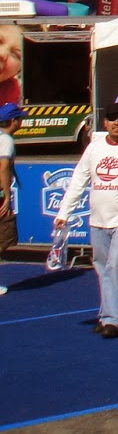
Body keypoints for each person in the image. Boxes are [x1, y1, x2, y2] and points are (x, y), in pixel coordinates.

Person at [51, 104, 118, 338]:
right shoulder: (95, 147)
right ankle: (106, 314)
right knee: (103, 268)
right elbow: (79, 179)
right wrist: (64, 213)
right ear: (105, 123)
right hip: (98, 218)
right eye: (112, 119)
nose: (116, 124)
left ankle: (113, 320)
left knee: (116, 266)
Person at [0, 102, 21, 293]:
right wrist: (7, 195)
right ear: (13, 121)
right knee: (4, 234)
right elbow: (4, 167)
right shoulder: (6, 140)